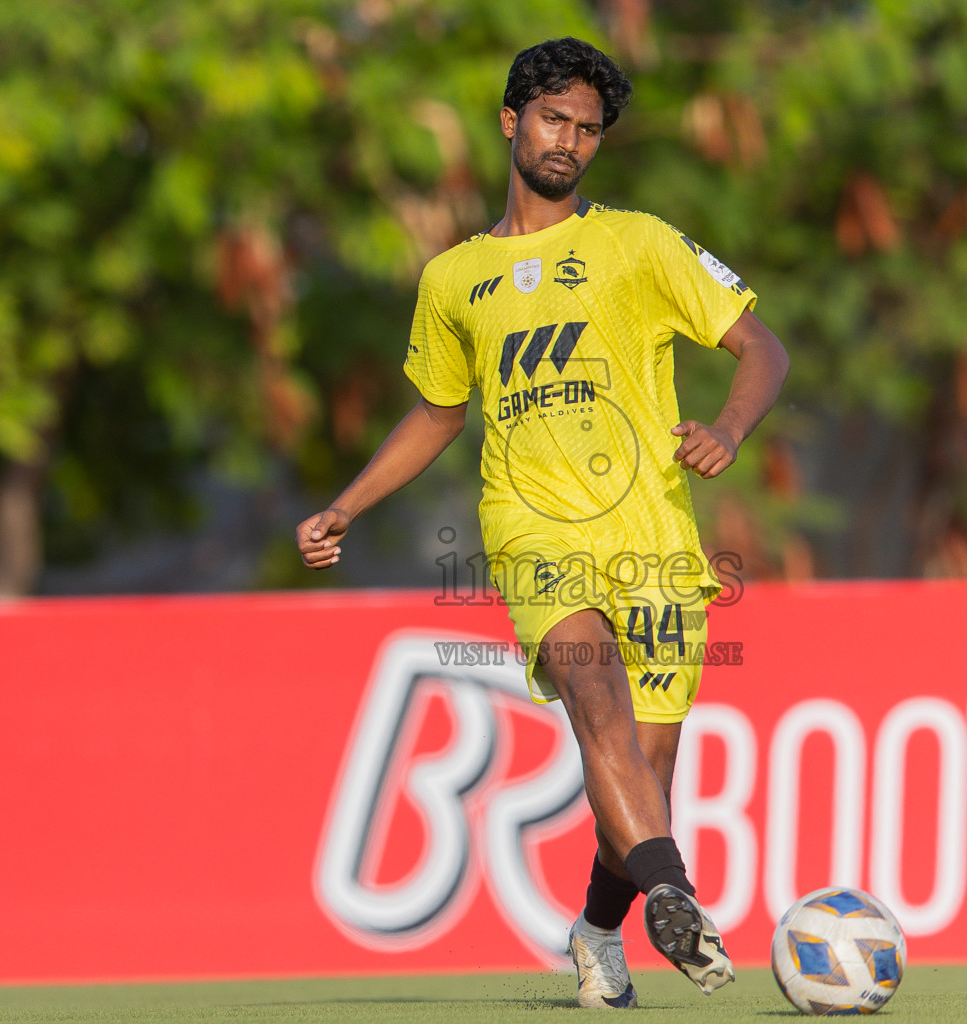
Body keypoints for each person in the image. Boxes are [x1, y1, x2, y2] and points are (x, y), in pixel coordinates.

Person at [297, 37, 788, 1008]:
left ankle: (601, 925)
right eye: (554, 119)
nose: (569, 141)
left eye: (589, 129)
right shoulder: (453, 280)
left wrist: (730, 426)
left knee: (641, 776)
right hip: (530, 528)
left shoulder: (641, 243)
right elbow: (439, 411)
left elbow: (760, 346)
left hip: (651, 535)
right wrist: (346, 503)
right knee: (589, 688)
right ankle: (675, 896)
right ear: (511, 121)